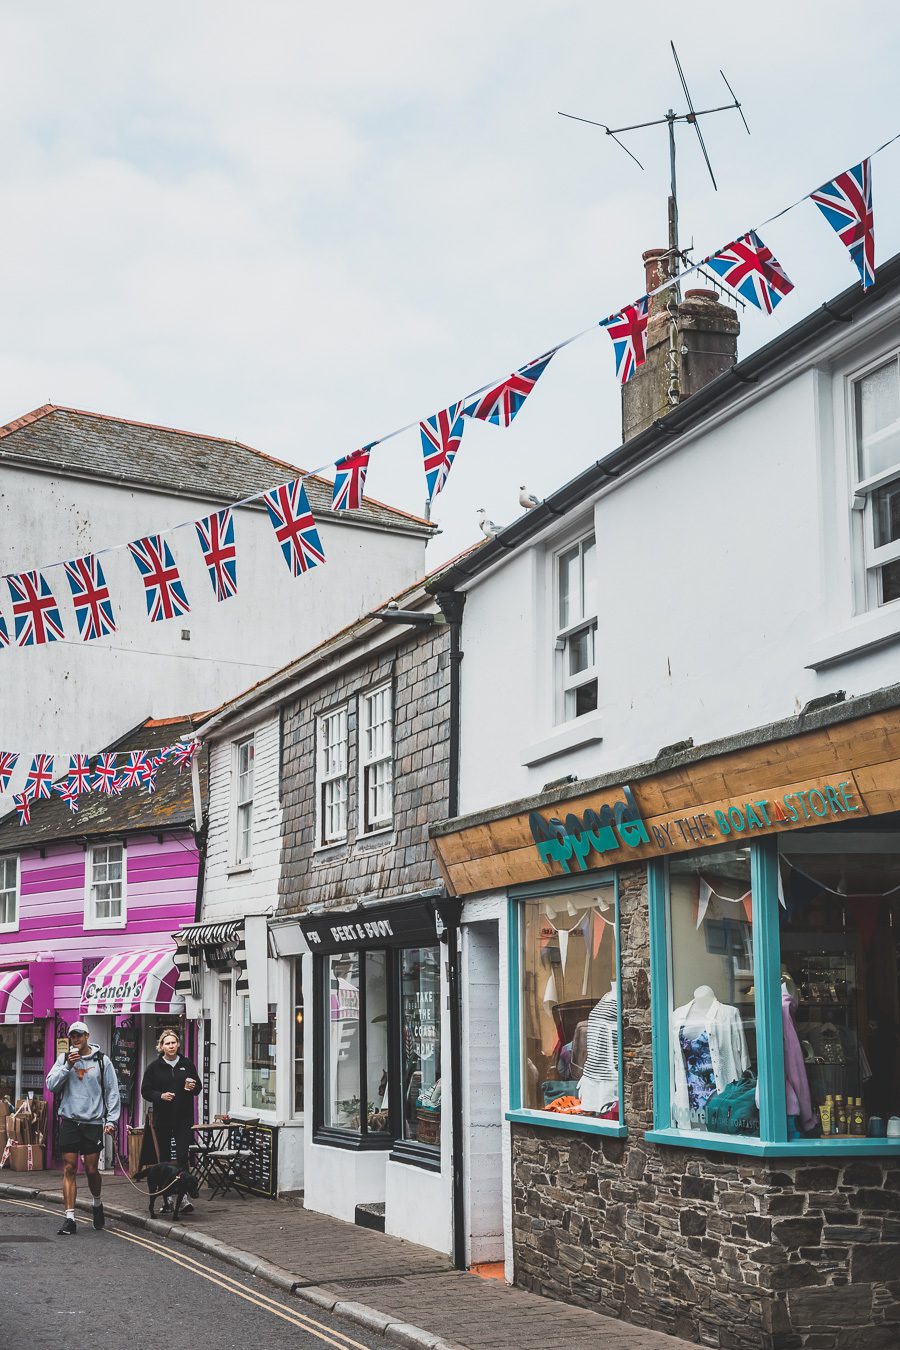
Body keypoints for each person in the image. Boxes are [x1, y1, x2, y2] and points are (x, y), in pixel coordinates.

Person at [45, 1020, 120, 1236]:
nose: (76, 1039)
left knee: (91, 1170)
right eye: (73, 1036)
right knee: (69, 1168)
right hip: (69, 1121)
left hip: (93, 1123)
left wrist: (111, 1121)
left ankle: (97, 1203)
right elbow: (51, 1085)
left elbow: (112, 1091)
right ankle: (69, 1218)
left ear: (87, 1036)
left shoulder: (102, 1061)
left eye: (79, 1035)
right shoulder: (64, 1059)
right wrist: (67, 1065)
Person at [139, 1028, 202, 1213]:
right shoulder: (154, 1067)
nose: (171, 1046)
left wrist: (193, 1086)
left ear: (178, 1044)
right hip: (163, 1119)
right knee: (165, 1161)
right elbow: (145, 1091)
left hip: (183, 1118)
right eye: (167, 1043)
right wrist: (160, 1096)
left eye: (173, 1042)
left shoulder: (187, 1064)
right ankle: (166, 1198)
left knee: (183, 1158)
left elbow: (197, 1087)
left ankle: (183, 1199)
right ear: (161, 1047)